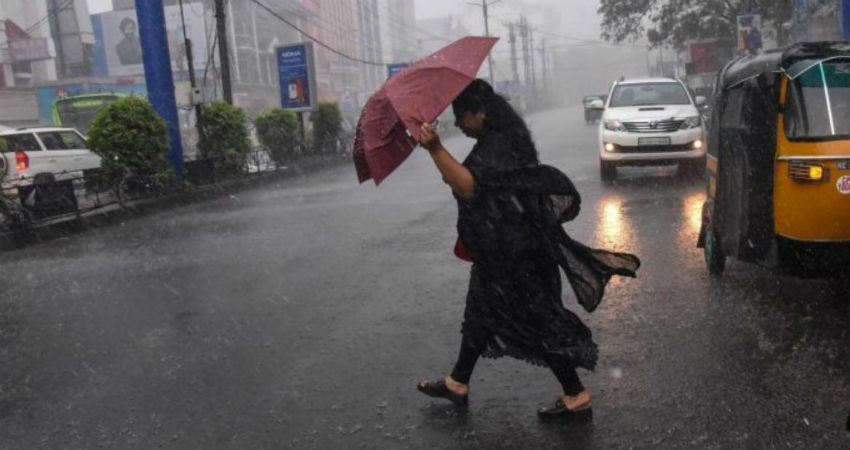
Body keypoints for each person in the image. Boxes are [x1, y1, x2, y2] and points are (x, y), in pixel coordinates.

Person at [416, 79, 640, 419]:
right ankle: (457, 382)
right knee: (479, 314)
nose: (458, 124)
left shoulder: (498, 144)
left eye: (461, 116)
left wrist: (435, 149)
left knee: (538, 321)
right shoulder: (503, 136)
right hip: (503, 249)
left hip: (516, 253)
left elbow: (469, 186)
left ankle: (575, 396)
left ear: (480, 113)